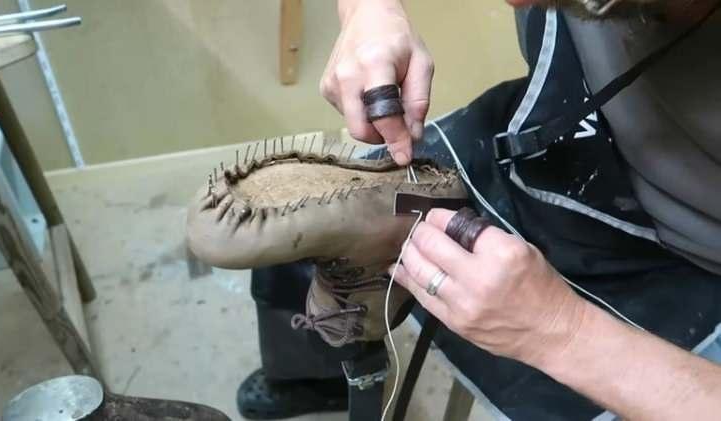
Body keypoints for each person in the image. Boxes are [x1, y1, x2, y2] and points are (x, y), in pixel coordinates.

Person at [237, 0, 721, 419]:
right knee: (306, 230)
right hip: (565, 127)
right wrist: (370, 14)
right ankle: (311, 376)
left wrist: (565, 332)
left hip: (690, 265)